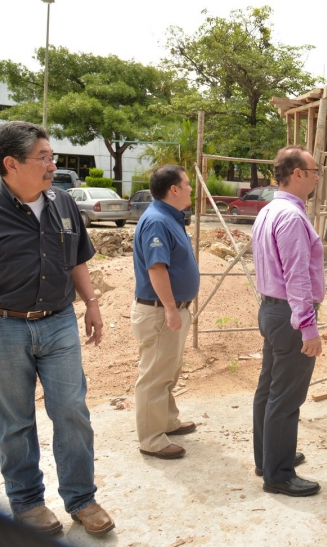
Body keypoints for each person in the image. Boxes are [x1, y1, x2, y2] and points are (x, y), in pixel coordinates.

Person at [0, 121, 114, 536]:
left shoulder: (64, 203)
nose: (52, 165)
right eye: (44, 158)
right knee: (14, 422)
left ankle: (82, 499)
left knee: (72, 411)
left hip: (58, 324)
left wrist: (91, 303)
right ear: (10, 164)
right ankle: (28, 503)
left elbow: (77, 259)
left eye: (52, 157)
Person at [251, 146, 324, 497]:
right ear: (297, 173)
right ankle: (278, 474)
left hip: (272, 309)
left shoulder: (269, 210)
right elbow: (297, 278)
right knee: (286, 397)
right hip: (290, 314)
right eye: (313, 171)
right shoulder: (292, 217)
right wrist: (308, 327)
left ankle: (268, 458)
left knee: (269, 390)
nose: (316, 177)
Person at [131, 165, 200, 459]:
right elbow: (156, 268)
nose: (190, 189)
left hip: (169, 310)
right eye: (187, 184)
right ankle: (151, 439)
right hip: (161, 311)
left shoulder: (169, 218)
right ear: (174, 189)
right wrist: (171, 309)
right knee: (155, 376)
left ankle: (167, 422)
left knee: (168, 370)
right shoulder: (158, 221)